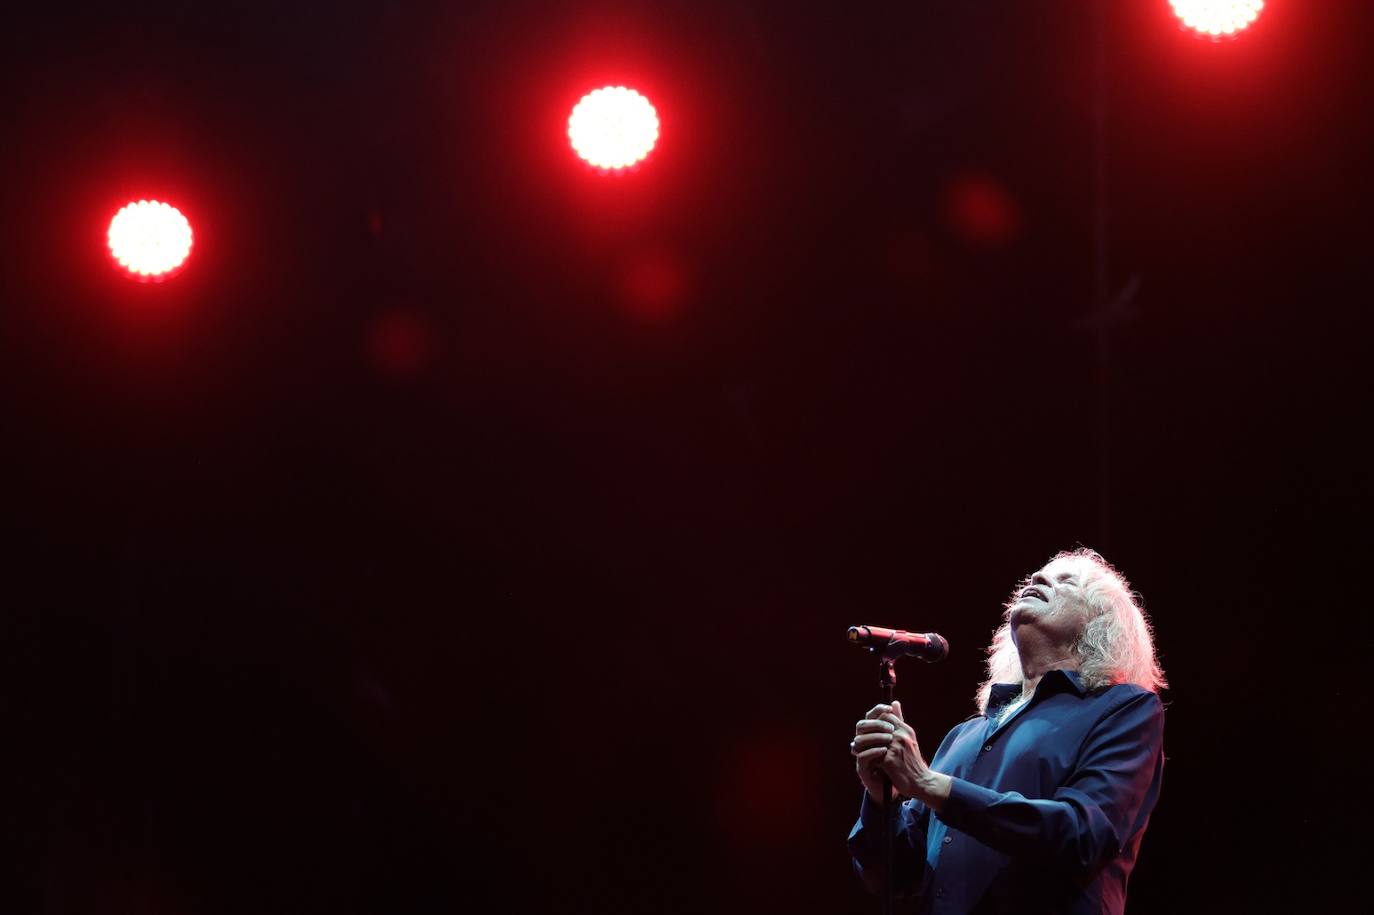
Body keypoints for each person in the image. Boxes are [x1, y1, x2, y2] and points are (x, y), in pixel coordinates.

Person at [848, 548, 1166, 915]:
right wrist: (879, 800)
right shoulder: (964, 736)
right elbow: (893, 876)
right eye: (1038, 575)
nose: (1038, 579)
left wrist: (932, 784)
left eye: (1066, 582)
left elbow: (1083, 834)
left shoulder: (1122, 709)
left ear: (1101, 624)